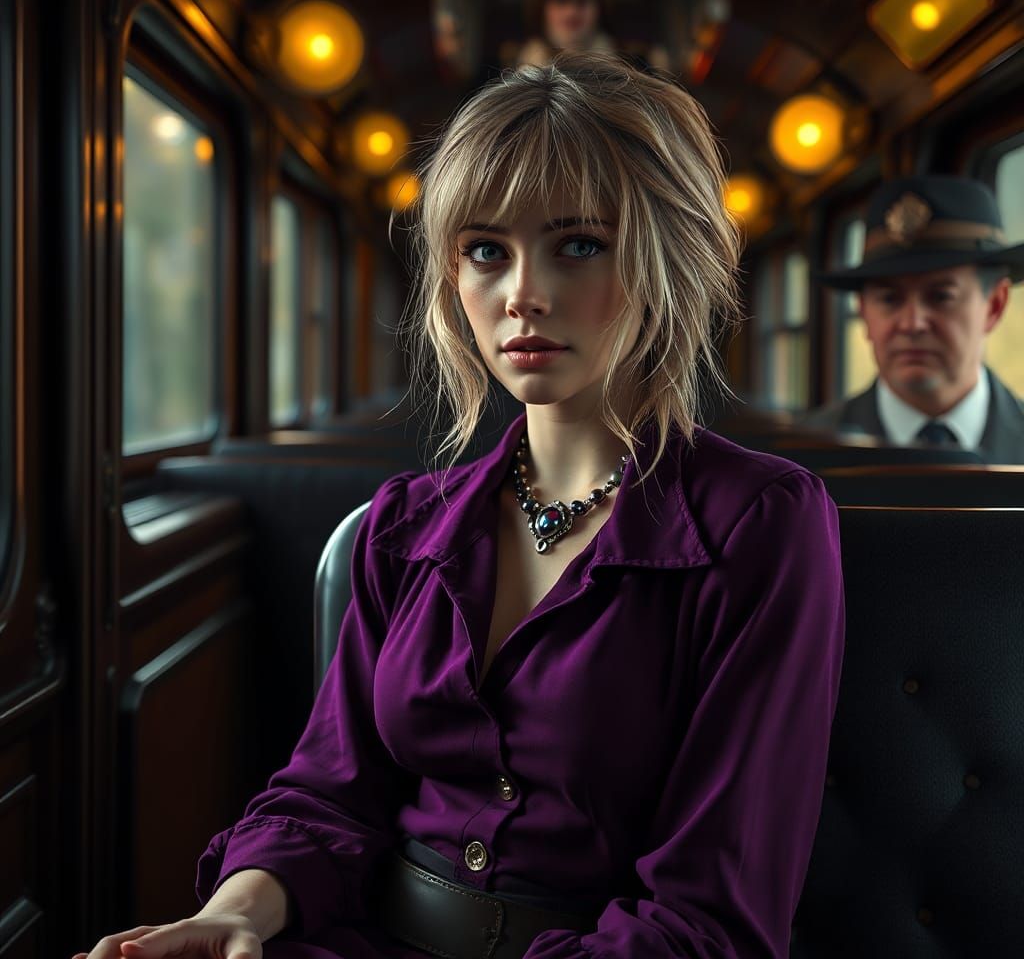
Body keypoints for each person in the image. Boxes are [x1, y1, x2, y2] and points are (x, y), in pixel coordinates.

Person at [76, 54, 845, 959]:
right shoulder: (401, 527)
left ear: (670, 257)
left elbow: (710, 915)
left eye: (579, 245)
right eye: (487, 251)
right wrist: (234, 914)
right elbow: (328, 793)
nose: (522, 295)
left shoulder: (760, 524)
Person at [801, 176, 1024, 461]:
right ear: (864, 312)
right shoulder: (804, 458)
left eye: (940, 297)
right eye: (889, 299)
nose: (911, 324)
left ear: (994, 306)